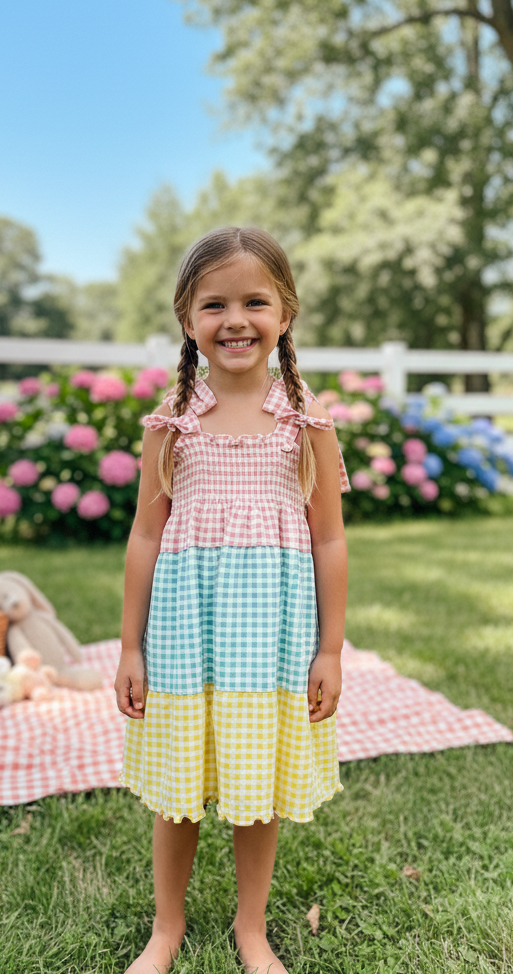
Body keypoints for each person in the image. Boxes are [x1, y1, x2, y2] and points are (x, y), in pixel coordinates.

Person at [115, 226, 350, 974]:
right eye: (214, 304)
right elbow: (146, 537)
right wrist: (129, 646)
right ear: (188, 319)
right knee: (178, 791)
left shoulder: (306, 421)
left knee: (257, 789)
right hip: (185, 634)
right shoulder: (172, 423)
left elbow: (331, 541)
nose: (236, 320)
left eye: (255, 301)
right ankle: (167, 927)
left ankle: (252, 927)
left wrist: (331, 649)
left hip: (273, 637)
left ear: (286, 313)